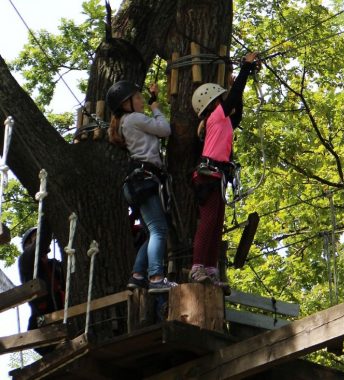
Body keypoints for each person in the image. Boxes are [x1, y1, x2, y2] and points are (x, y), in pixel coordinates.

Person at [190, 52, 261, 292]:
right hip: (208, 176)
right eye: (222, 98)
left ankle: (210, 268)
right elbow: (232, 102)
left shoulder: (224, 121)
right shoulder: (215, 117)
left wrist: (237, 82)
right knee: (208, 223)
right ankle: (197, 266)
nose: (225, 102)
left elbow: (236, 111)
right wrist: (245, 68)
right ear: (213, 103)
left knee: (216, 224)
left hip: (217, 176)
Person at [106, 80, 177, 294]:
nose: (141, 101)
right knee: (159, 230)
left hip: (138, 182)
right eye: (137, 98)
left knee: (151, 232)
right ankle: (156, 277)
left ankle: (138, 275)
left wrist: (153, 98)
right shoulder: (134, 118)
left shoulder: (126, 121)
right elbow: (165, 130)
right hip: (144, 180)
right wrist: (156, 108)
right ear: (126, 103)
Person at [18, 220, 65, 356]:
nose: (39, 236)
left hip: (67, 318)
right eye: (35, 236)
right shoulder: (26, 260)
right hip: (43, 327)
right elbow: (43, 240)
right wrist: (47, 212)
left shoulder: (55, 264)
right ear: (28, 244)